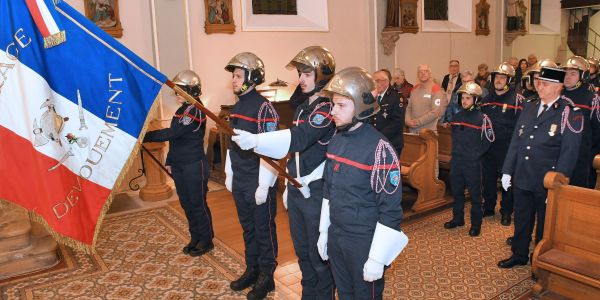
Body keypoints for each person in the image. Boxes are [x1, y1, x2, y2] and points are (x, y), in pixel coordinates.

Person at [231, 46, 337, 299]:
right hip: (298, 188)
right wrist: (291, 183)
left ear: (321, 76)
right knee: (302, 253)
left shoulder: (325, 110)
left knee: (318, 255)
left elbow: (299, 139)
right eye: (300, 73)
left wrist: (258, 141)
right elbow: (294, 154)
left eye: (307, 74)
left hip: (316, 190)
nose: (301, 79)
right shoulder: (302, 108)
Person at [316, 67, 408, 299]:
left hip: (364, 241)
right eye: (333, 104)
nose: (333, 112)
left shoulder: (380, 150)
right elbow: (329, 189)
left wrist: (377, 258)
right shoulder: (336, 141)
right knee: (344, 294)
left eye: (341, 105)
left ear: (361, 107)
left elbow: (390, 210)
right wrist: (324, 232)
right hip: (337, 234)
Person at [498, 66, 583, 269]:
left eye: (545, 83)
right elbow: (516, 142)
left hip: (546, 178)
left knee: (545, 224)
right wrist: (508, 170)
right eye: (538, 82)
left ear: (558, 87)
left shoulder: (569, 112)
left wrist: (557, 183)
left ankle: (541, 260)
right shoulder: (529, 106)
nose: (539, 86)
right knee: (522, 217)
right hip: (523, 174)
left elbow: (569, 153)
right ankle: (519, 254)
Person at [224, 52, 280, 300]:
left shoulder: (264, 108)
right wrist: (229, 172)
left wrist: (264, 184)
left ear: (252, 77)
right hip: (240, 179)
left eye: (238, 76)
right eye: (234, 76)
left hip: (258, 182)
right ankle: (253, 268)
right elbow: (233, 143)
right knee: (248, 229)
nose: (234, 80)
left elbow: (272, 151)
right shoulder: (237, 106)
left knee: (263, 230)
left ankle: (267, 276)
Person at [143, 70, 214, 256]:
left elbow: (173, 133)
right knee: (187, 204)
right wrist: (170, 160)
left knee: (198, 205)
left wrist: (145, 136)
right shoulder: (182, 110)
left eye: (180, 90)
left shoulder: (196, 110)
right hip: (181, 165)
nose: (176, 94)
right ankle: (195, 237)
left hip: (194, 165)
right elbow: (175, 141)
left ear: (192, 90)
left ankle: (206, 240)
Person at [443, 81, 494, 237]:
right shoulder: (457, 116)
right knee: (457, 192)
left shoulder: (482, 118)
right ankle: (458, 219)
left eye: (468, 98)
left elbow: (489, 139)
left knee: (475, 195)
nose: (464, 101)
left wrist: (475, 154)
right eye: (463, 98)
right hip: (457, 161)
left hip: (472, 163)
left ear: (476, 100)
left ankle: (476, 224)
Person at [480, 62, 521, 226]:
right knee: (488, 180)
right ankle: (489, 207)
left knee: (507, 183)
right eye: (497, 76)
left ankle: (506, 211)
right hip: (488, 149)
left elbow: (520, 127)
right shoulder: (485, 99)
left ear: (509, 80)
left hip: (507, 149)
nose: (499, 80)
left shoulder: (517, 100)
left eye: (502, 77)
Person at [562, 56, 596, 188]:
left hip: (580, 156)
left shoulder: (591, 99)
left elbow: (596, 131)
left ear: (583, 76)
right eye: (565, 73)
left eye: (573, 73)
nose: (567, 77)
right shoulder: (556, 95)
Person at [372, 69, 407, 156]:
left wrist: (379, 136)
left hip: (391, 142)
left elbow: (398, 122)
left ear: (385, 82)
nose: (373, 84)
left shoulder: (396, 96)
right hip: (375, 141)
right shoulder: (374, 96)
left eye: (376, 81)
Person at [405, 64, 447, 134]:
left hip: (428, 133)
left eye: (426, 71)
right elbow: (409, 108)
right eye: (420, 72)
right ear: (417, 75)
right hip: (412, 132)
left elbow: (435, 112)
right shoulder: (414, 89)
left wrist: (417, 122)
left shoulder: (435, 88)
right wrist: (407, 120)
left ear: (430, 74)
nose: (423, 73)